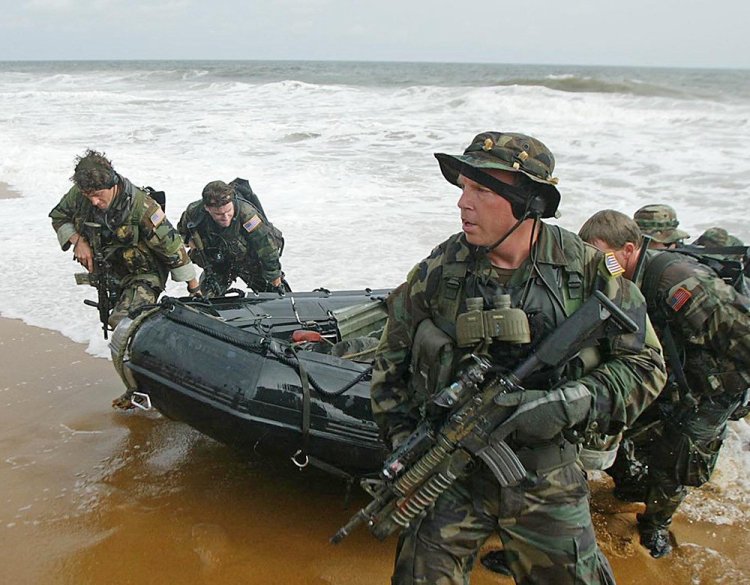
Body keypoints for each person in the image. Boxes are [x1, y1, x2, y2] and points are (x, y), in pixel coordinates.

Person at [370, 132, 666, 584]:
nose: (463, 203)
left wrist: (572, 401)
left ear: (528, 202)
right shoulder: (438, 270)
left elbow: (646, 366)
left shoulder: (589, 271)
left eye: (482, 191)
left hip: (547, 476)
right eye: (463, 188)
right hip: (453, 473)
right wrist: (409, 445)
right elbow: (389, 366)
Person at [579, 209, 750, 559]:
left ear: (628, 249)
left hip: (714, 387)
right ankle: (631, 487)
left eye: (601, 256)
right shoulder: (623, 278)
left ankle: (656, 524)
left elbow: (741, 336)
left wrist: (728, 395)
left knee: (677, 461)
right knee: (624, 430)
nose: (596, 264)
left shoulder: (682, 285)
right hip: (674, 376)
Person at [50, 149, 199, 329]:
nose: (94, 201)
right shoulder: (81, 193)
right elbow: (59, 216)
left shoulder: (143, 208)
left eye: (98, 195)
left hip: (144, 273)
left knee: (124, 322)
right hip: (112, 270)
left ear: (112, 184)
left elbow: (173, 248)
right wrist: (78, 241)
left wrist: (194, 290)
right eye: (88, 195)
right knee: (117, 322)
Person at [177, 180, 285, 296]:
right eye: (218, 214)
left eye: (229, 211)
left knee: (277, 296)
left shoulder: (247, 215)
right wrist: (193, 244)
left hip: (250, 262)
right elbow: (182, 233)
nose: (225, 217)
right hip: (218, 265)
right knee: (204, 300)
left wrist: (275, 279)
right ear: (207, 208)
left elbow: (267, 247)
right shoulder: (194, 213)